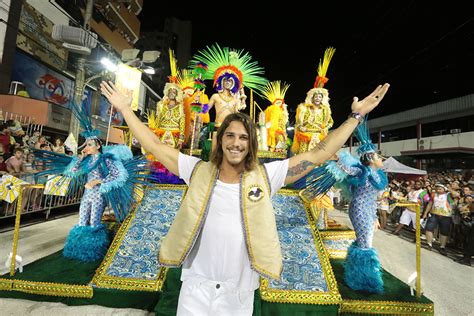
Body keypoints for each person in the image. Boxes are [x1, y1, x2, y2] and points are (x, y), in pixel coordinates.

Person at [100, 80, 389, 315]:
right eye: (230, 135)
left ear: (250, 143)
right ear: (220, 139)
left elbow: (319, 153)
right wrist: (126, 110)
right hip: (195, 290)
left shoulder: (266, 176)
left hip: (238, 295)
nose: (236, 143)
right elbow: (153, 144)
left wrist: (356, 116)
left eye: (243, 137)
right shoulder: (197, 170)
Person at [190, 43, 268, 128]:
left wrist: (241, 104)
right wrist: (197, 104)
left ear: (233, 83)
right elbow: (205, 110)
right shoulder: (215, 96)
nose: (227, 82)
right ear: (221, 82)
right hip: (217, 128)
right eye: (225, 80)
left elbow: (236, 115)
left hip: (230, 129)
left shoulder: (234, 99)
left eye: (230, 81)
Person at [292, 47, 335, 154]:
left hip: (319, 136)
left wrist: (325, 128)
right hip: (305, 137)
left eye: (320, 97)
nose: (317, 98)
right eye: (316, 96)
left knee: (319, 160)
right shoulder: (303, 109)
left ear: (322, 99)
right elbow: (297, 124)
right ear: (312, 97)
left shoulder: (325, 110)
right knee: (303, 159)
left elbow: (330, 122)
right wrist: (302, 128)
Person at [423, 183, 456, 255]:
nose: (438, 189)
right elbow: (430, 204)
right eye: (437, 188)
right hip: (434, 214)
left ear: (444, 189)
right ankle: (429, 244)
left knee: (444, 232)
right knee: (429, 228)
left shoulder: (448, 195)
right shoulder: (434, 194)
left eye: (440, 188)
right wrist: (425, 213)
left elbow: (456, 195)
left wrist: (449, 188)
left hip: (446, 216)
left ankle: (442, 247)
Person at [263, 81, 290, 152]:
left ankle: (280, 151)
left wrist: (285, 110)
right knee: (278, 139)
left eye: (281, 102)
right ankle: (276, 150)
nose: (279, 104)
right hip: (275, 129)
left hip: (282, 130)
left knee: (282, 141)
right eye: (277, 102)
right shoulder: (273, 109)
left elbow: (285, 121)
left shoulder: (283, 111)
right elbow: (272, 121)